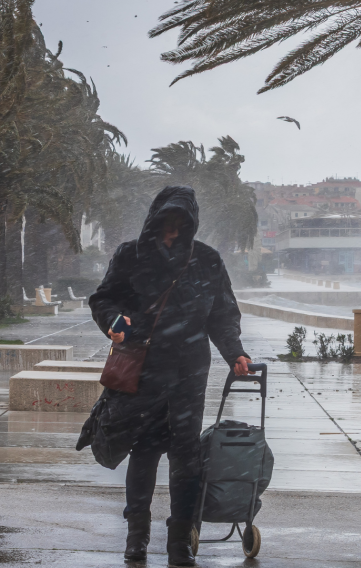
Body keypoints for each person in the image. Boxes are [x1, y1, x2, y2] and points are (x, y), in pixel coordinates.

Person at [89, 186, 252, 567]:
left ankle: (179, 541)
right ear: (154, 219)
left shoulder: (207, 260)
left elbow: (223, 315)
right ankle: (137, 537)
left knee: (186, 457)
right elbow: (103, 298)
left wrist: (236, 353)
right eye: (167, 223)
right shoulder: (130, 255)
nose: (173, 232)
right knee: (143, 453)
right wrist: (113, 321)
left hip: (189, 371)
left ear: (192, 224)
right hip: (142, 367)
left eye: (181, 225)